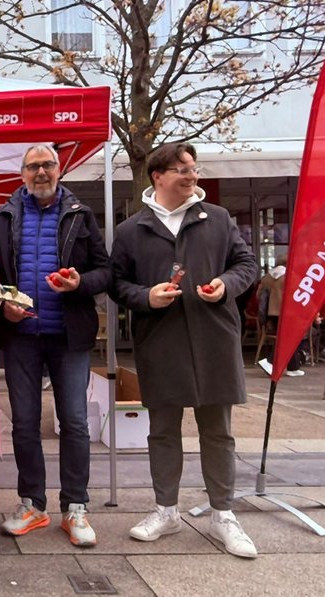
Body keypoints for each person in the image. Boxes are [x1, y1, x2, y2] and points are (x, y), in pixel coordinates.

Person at [110, 142, 259, 559]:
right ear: (158, 176)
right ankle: (166, 512)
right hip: (160, 341)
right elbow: (117, 283)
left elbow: (247, 265)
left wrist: (225, 285)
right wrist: (146, 296)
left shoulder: (219, 219)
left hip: (214, 339)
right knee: (162, 431)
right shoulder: (131, 230)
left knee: (218, 432)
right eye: (182, 169)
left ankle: (223, 514)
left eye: (194, 168)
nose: (192, 175)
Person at [0, 144, 111, 547]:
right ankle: (32, 504)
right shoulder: (2, 217)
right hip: (20, 337)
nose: (41, 172)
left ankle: (75, 507)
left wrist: (80, 283)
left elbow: (105, 271)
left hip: (69, 336)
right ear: (22, 174)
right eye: (33, 166)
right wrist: (2, 307)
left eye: (48, 165)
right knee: (24, 423)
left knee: (74, 422)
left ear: (59, 170)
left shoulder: (81, 213)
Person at [256, 256, 304, 376]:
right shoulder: (290, 276)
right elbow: (298, 293)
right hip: (287, 312)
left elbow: (258, 295)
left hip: (272, 313)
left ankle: (293, 367)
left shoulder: (267, 277)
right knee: (288, 339)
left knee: (288, 338)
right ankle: (270, 361)